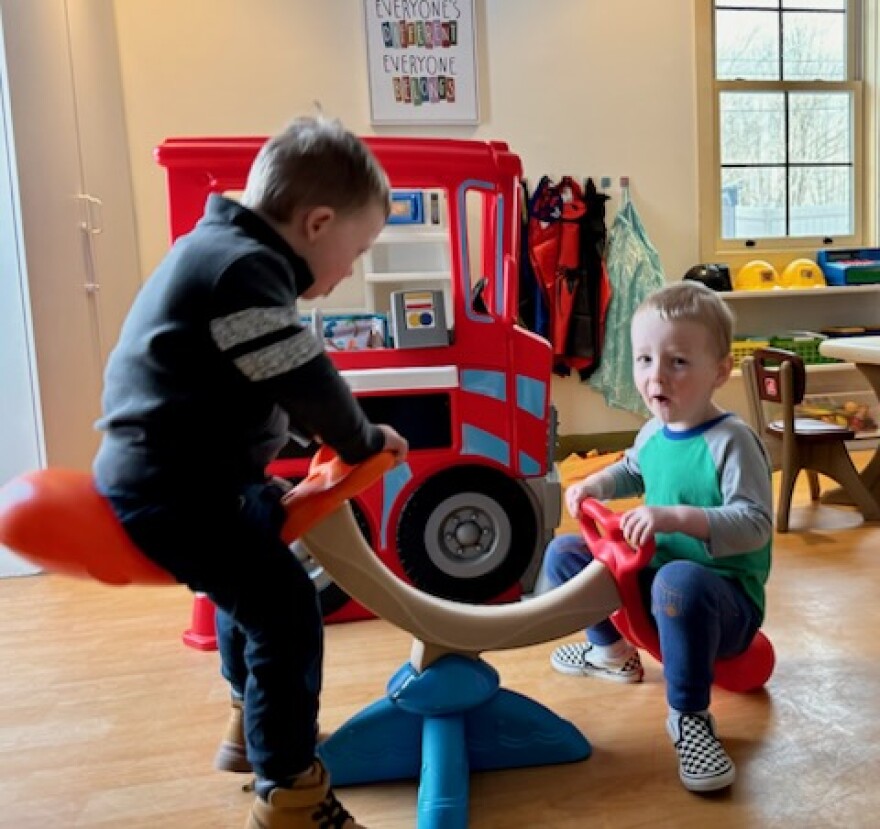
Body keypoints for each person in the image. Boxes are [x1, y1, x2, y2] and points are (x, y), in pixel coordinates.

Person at [93, 116, 408, 829]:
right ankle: (291, 790)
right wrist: (358, 439)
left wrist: (312, 437)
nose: (351, 268)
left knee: (260, 561)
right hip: (175, 490)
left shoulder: (219, 251)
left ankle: (252, 727)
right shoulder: (245, 270)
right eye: (355, 251)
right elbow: (303, 373)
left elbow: (253, 380)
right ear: (317, 222)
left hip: (187, 480)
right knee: (286, 608)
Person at [541, 280, 772, 793]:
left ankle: (689, 716)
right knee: (564, 554)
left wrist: (675, 517)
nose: (656, 376)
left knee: (681, 581)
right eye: (644, 360)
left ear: (719, 371)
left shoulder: (731, 441)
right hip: (657, 583)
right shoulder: (651, 432)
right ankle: (612, 652)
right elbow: (630, 469)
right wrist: (596, 483)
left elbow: (755, 524)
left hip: (720, 599)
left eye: (678, 362)